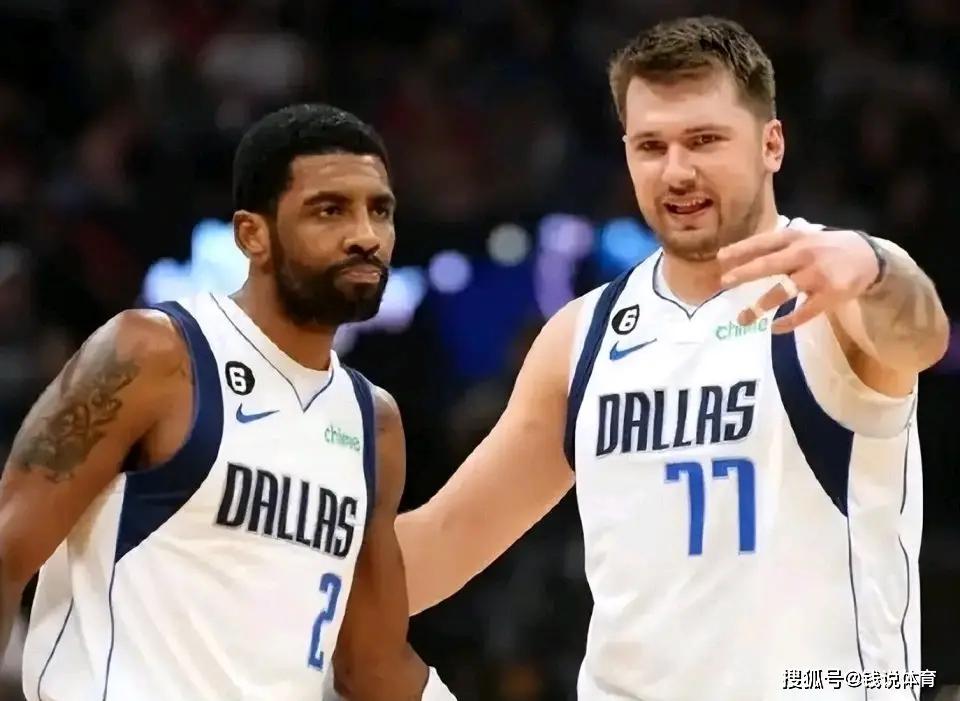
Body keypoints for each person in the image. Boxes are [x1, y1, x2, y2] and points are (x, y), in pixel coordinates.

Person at [395, 16, 950, 701]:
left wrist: (876, 263)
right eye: (651, 146)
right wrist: (290, 586)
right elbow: (446, 535)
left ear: (771, 144)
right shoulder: (581, 335)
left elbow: (920, 335)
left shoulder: (832, 286)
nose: (677, 171)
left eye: (705, 140)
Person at [0, 103, 455, 701]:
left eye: (380, 211)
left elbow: (371, 665)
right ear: (252, 235)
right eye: (330, 210)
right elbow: (6, 552)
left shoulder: (374, 423)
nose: (365, 236)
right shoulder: (154, 355)